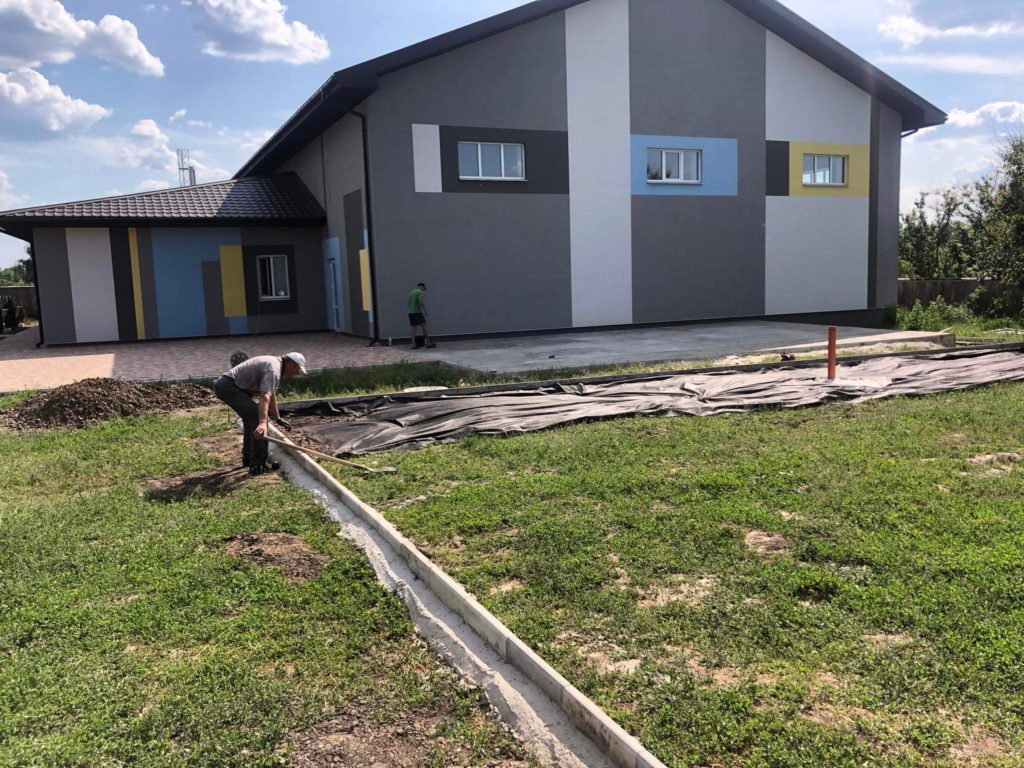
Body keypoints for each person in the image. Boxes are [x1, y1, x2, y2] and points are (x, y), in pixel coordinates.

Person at [213, 352, 307, 475]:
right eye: (297, 368)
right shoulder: (274, 369)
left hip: (229, 386)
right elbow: (265, 396)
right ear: (290, 363)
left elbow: (271, 394)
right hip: (229, 387)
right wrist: (263, 422)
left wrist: (277, 417)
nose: (296, 373)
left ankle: (249, 459)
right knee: (258, 421)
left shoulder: (275, 365)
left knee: (250, 420)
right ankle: (258, 465)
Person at [407, 282, 435, 349]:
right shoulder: (419, 292)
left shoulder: (411, 292)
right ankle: (428, 343)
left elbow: (409, 303)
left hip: (410, 312)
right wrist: (425, 310)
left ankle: (413, 344)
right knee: (424, 327)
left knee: (414, 328)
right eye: (423, 289)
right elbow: (421, 302)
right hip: (417, 312)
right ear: (422, 287)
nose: (423, 290)